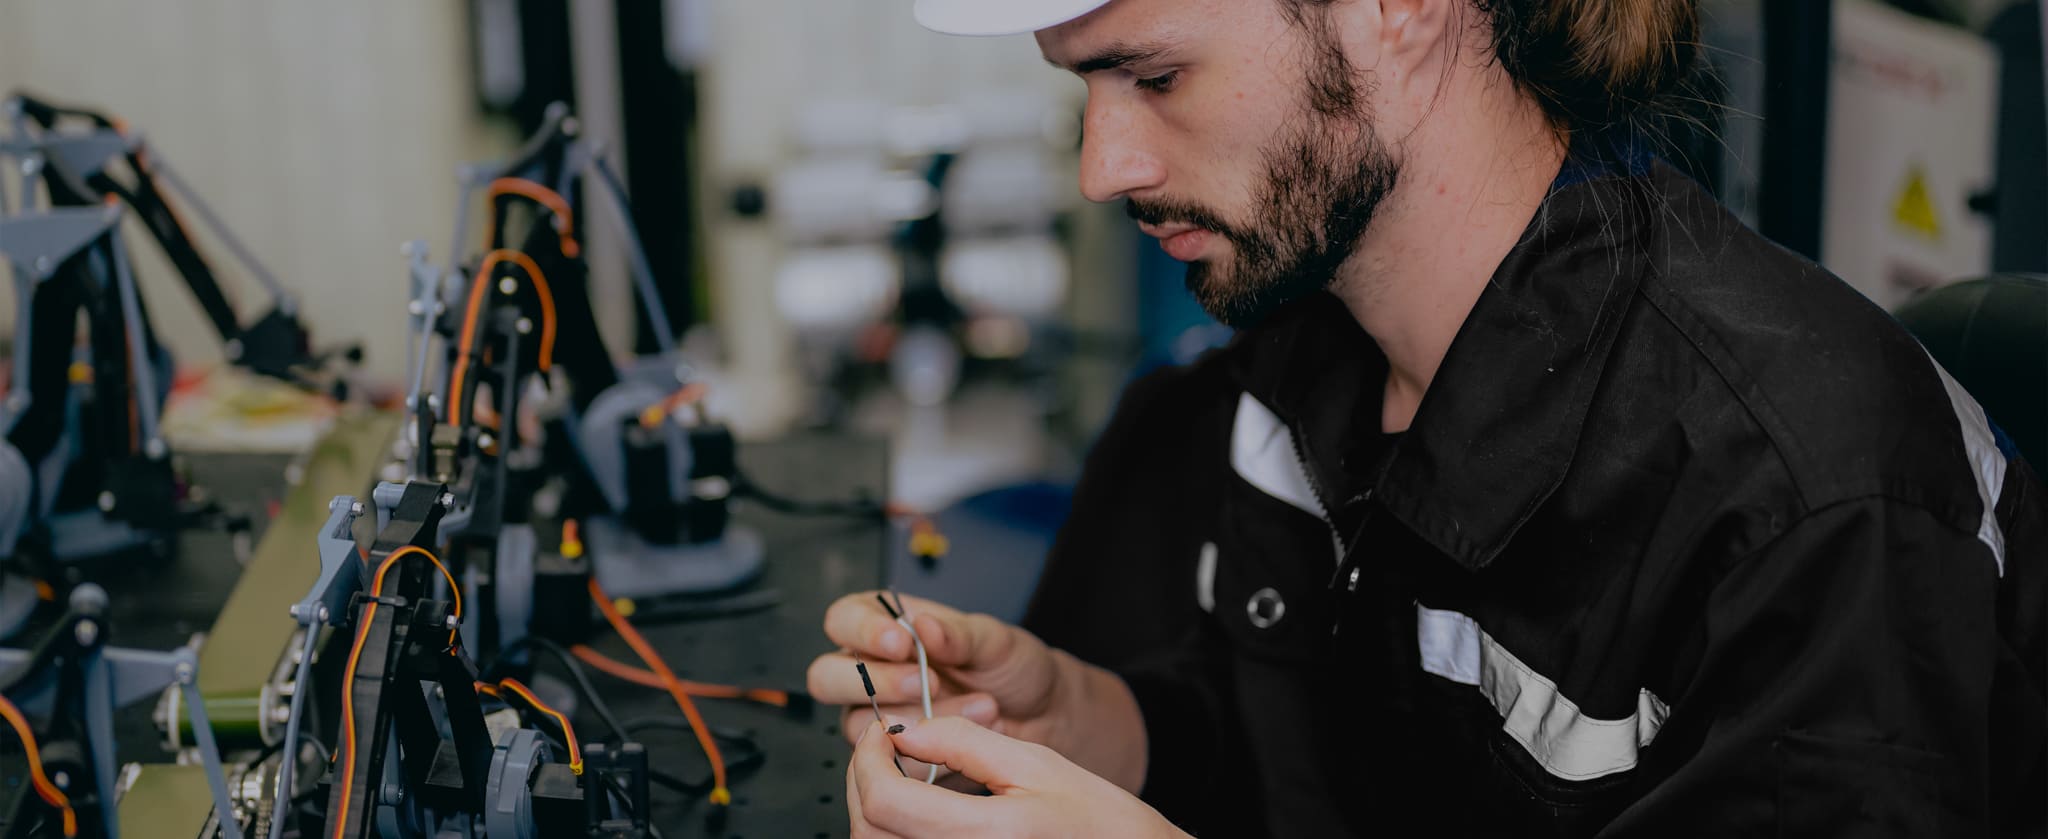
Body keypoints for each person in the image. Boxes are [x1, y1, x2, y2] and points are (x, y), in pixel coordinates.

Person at [806, 0, 2048, 835]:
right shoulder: (1294, 362)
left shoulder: (1807, 495)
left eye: (1152, 73)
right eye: (1086, 85)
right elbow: (1320, 765)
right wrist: (1097, 729)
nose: (1104, 164)